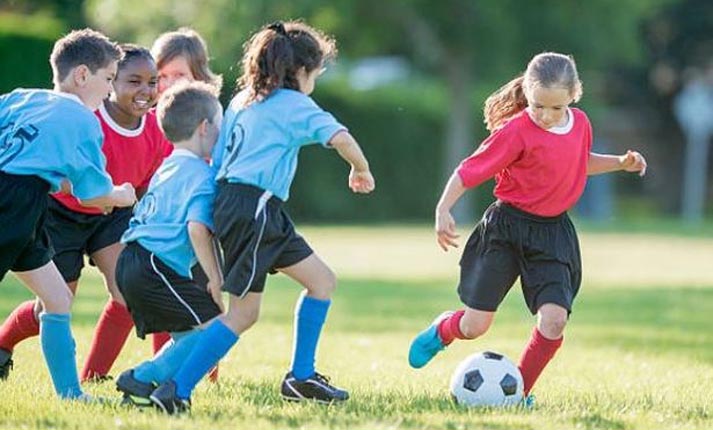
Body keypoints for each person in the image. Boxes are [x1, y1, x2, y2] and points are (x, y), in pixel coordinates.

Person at [148, 20, 375, 414]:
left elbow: (217, 158)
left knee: (321, 281)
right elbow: (340, 136)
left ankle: (300, 377)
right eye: (316, 72)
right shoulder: (293, 103)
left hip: (255, 207)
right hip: (252, 208)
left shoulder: (242, 101)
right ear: (301, 70)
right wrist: (361, 169)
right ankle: (175, 388)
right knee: (243, 313)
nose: (315, 80)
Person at [407, 52, 647, 403]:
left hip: (552, 235)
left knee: (554, 321)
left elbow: (577, 162)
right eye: (538, 107)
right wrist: (443, 208)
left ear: (573, 96)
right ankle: (443, 330)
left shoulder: (580, 124)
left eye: (556, 108)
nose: (547, 117)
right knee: (475, 327)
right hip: (506, 229)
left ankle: (518, 393)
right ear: (527, 94)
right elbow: (469, 170)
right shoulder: (516, 130)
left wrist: (619, 164)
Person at [0, 44, 172, 383]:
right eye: (116, 79)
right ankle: (5, 344)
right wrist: (120, 195)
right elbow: (90, 191)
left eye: (153, 82)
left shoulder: (23, 96)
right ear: (84, 76)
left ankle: (85, 383)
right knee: (54, 303)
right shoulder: (85, 117)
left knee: (112, 292)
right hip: (53, 214)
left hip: (99, 216)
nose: (144, 90)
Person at [113, 81, 224, 406]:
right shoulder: (200, 176)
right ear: (205, 128)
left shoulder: (168, 165)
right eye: (220, 125)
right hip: (152, 266)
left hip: (133, 261)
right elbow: (196, 229)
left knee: (189, 333)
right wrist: (215, 277)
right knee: (215, 327)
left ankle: (144, 394)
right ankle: (142, 378)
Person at [150, 29, 223, 382]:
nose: (167, 84)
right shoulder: (156, 122)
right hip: (161, 230)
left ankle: (207, 372)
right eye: (160, 77)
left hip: (198, 222)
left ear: (199, 74)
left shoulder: (211, 117)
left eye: (178, 75)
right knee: (164, 301)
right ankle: (160, 373)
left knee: (207, 295)